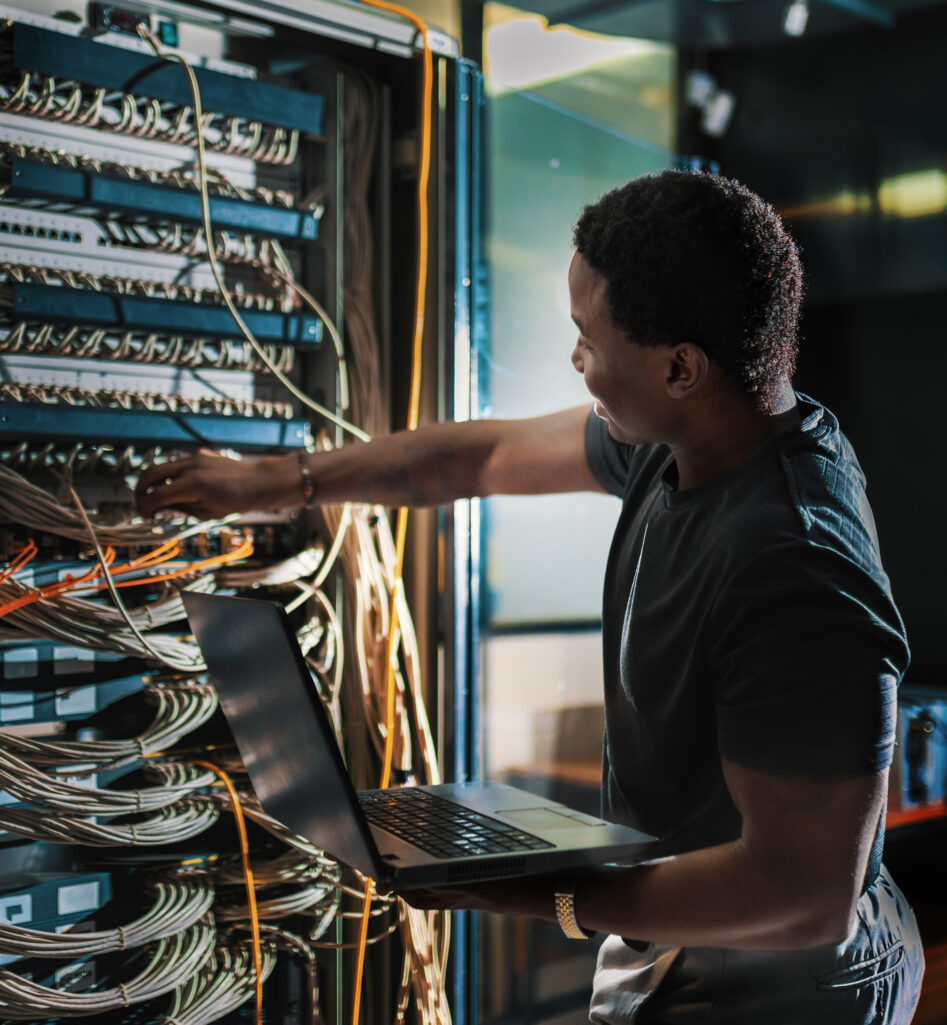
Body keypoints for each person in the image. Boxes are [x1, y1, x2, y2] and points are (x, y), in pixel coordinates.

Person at [137, 170, 924, 1023]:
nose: (575, 358)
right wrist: (278, 480)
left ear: (679, 367)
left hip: (789, 981)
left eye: (587, 336)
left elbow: (805, 893)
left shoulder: (793, 567)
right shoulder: (686, 437)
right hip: (693, 940)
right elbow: (473, 459)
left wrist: (546, 895)